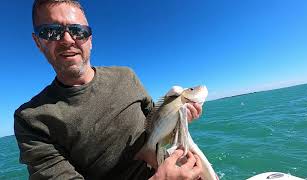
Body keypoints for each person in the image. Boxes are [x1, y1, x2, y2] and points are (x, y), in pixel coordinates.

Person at [14, 0, 205, 179]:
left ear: (90, 39)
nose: (67, 39)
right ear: (38, 42)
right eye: (51, 31)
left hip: (169, 166)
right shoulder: (30, 119)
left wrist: (178, 119)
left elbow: (153, 121)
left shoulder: (126, 76)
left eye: (77, 31)